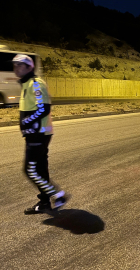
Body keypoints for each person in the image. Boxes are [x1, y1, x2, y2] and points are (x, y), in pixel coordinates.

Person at [12, 54, 69, 214]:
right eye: (15, 65)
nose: (16, 68)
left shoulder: (35, 84)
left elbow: (44, 108)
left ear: (30, 67)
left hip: (38, 133)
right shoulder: (27, 84)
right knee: (40, 168)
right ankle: (44, 203)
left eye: (20, 65)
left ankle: (57, 194)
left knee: (31, 170)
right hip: (35, 133)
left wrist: (27, 122)